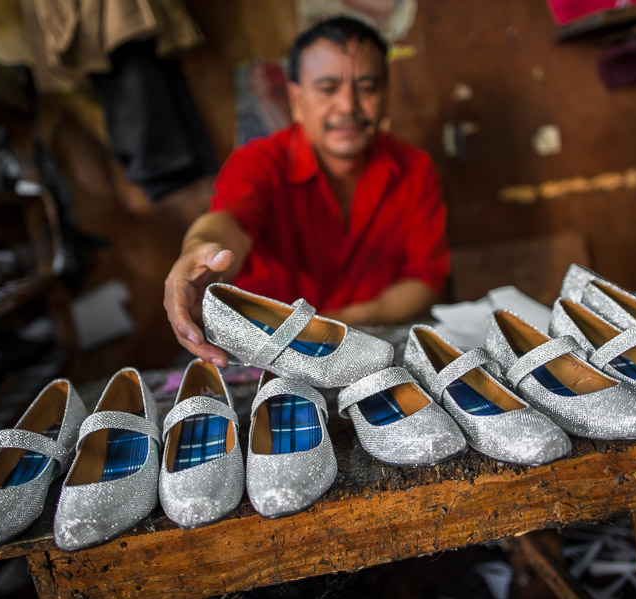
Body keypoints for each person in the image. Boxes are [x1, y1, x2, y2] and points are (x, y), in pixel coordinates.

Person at [164, 16, 451, 366]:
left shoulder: (414, 168)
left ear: (385, 97)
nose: (348, 106)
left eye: (367, 87)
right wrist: (195, 252)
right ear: (296, 100)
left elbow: (423, 282)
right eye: (328, 88)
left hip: (368, 345)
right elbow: (227, 225)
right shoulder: (259, 161)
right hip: (265, 356)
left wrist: (324, 328)